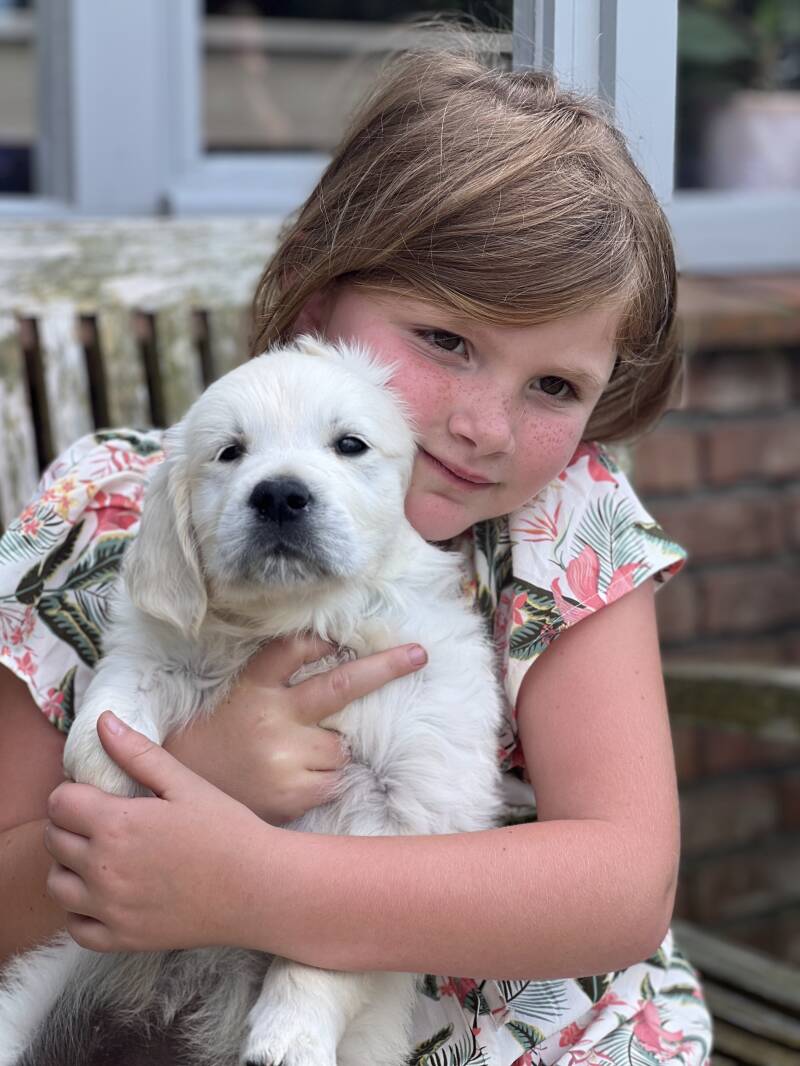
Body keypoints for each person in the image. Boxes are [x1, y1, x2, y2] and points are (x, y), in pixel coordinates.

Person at [0, 39, 713, 1066]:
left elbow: (621, 891)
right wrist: (194, 774)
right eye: (445, 340)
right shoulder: (108, 505)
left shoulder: (565, 526)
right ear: (316, 306)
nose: (483, 427)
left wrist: (256, 885)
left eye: (553, 386)